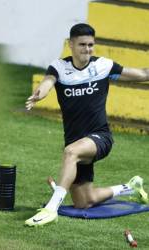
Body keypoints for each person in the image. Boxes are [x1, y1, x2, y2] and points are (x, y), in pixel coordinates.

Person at [24, 23, 149, 227]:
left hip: (100, 137)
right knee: (84, 201)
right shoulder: (59, 67)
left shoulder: (103, 66)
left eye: (91, 45)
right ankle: (129, 187)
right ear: (71, 44)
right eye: (82, 45)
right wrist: (40, 93)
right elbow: (48, 81)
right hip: (76, 140)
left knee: (70, 152)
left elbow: (143, 74)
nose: (87, 49)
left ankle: (50, 209)